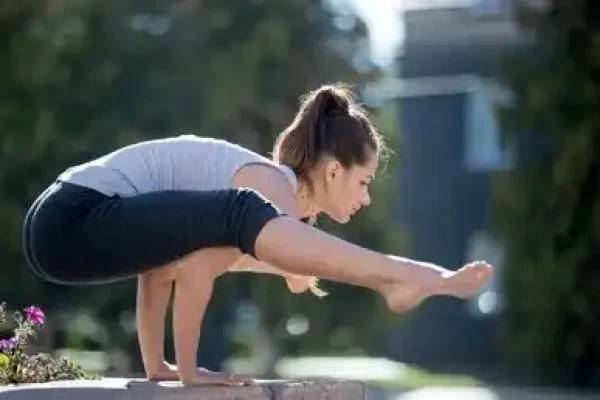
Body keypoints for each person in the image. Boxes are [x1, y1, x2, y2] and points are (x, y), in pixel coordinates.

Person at [22, 83, 493, 386]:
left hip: (59, 227)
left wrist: (158, 367)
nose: (366, 198)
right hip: (74, 216)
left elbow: (163, 266)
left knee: (233, 229)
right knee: (242, 214)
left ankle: (400, 278)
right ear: (332, 171)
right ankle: (399, 276)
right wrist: (188, 372)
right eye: (364, 181)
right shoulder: (266, 189)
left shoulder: (248, 208)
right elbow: (196, 273)